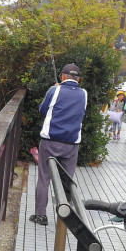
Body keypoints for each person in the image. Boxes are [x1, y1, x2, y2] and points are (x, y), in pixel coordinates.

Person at [29, 63, 87, 226]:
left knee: (44, 178)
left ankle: (40, 215)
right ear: (79, 79)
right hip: (72, 144)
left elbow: (42, 110)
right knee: (67, 181)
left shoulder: (54, 91)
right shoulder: (84, 94)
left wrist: (55, 89)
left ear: (62, 77)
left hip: (50, 142)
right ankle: (64, 218)